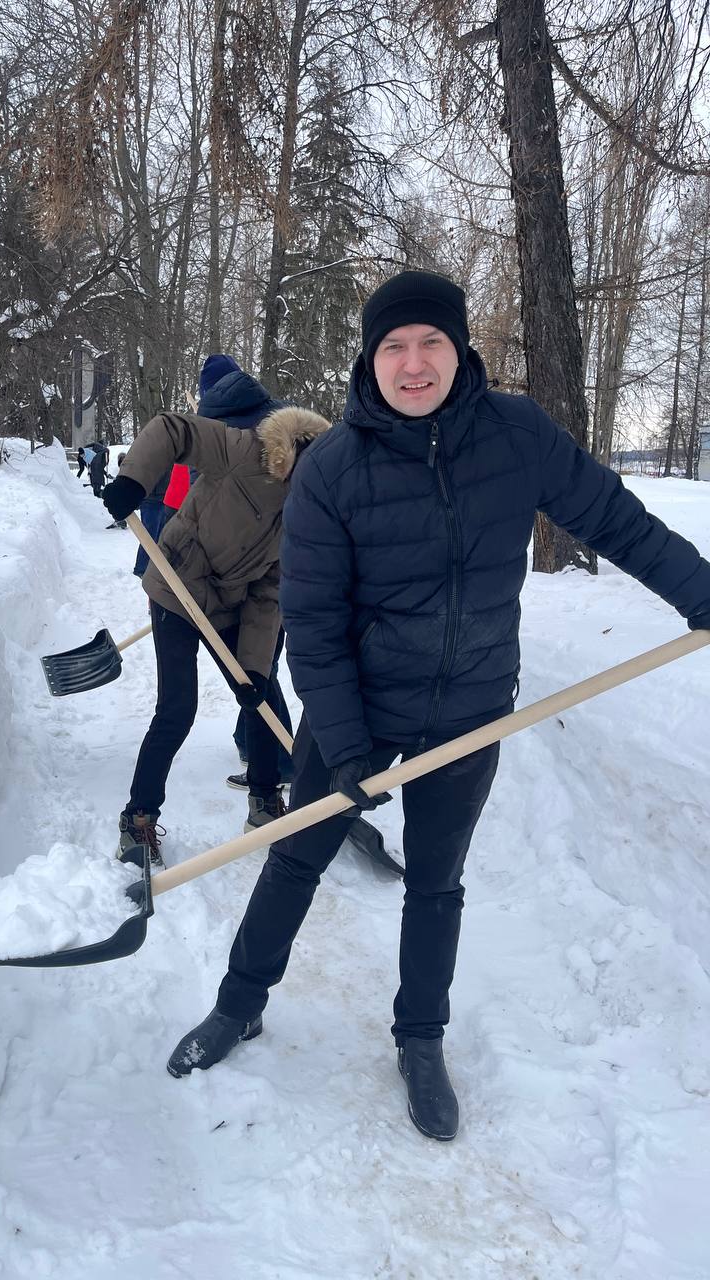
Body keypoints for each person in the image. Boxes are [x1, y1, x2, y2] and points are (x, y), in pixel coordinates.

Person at [166, 269, 710, 1141]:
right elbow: (312, 619)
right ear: (369, 358)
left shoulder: (517, 435)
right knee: (296, 856)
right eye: (394, 347)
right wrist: (342, 747)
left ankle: (420, 1039)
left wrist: (701, 592)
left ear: (460, 350)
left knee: (437, 883)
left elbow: (617, 520)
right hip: (362, 709)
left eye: (431, 343)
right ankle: (239, 1003)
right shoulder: (331, 471)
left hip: (471, 709)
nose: (414, 364)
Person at [100, 396, 329, 869]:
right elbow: (171, 430)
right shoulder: (246, 450)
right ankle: (137, 818)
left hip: (232, 605)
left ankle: (266, 806)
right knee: (178, 708)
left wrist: (252, 668)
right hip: (176, 585)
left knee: (261, 700)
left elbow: (270, 592)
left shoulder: (306, 516)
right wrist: (133, 480)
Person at [193, 354, 296, 788]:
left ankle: (284, 763)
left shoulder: (259, 446)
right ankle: (254, 743)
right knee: (254, 671)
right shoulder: (271, 428)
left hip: (276, 575)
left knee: (259, 669)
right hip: (279, 569)